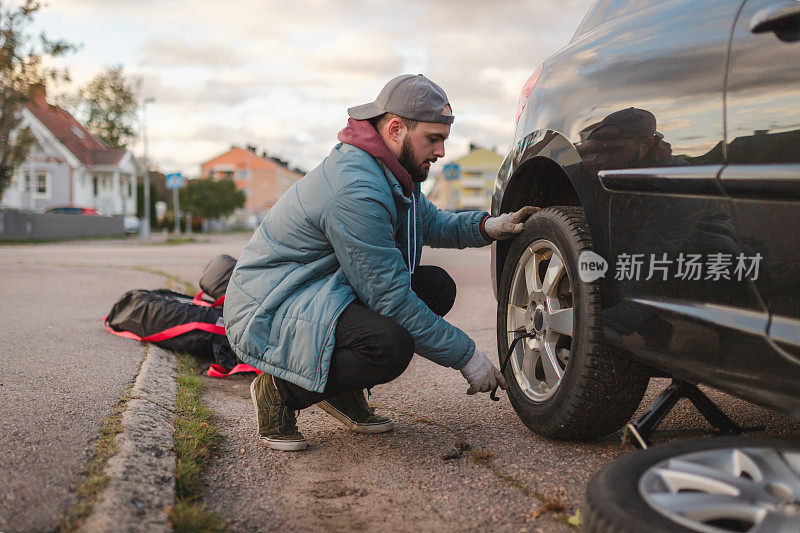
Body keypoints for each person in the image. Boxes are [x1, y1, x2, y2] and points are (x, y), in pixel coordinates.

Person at [224, 74, 538, 451]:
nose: (440, 152)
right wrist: (468, 357)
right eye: (433, 139)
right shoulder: (357, 189)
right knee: (390, 345)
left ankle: (338, 389)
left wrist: (488, 227)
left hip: (319, 292)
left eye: (443, 140)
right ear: (395, 128)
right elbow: (391, 301)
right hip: (271, 306)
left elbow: (431, 221)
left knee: (436, 286)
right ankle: (278, 391)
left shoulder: (388, 171)